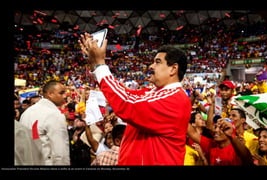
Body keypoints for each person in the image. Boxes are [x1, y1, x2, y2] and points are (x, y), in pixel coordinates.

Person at [78, 33, 191, 165]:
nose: (151, 66)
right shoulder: (152, 92)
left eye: (158, 62)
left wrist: (100, 64)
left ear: (173, 69)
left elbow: (125, 103)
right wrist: (95, 63)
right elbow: (123, 93)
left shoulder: (174, 99)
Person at [19, 80, 70, 165]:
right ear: (50, 94)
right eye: (61, 93)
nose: (65, 96)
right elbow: (60, 153)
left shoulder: (27, 112)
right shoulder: (54, 115)